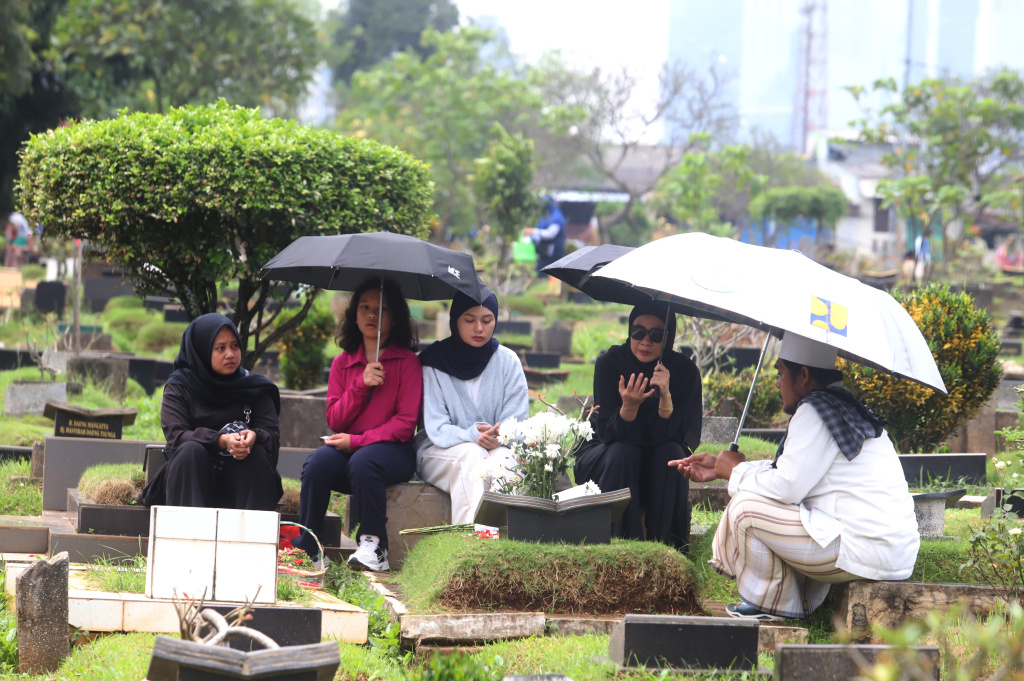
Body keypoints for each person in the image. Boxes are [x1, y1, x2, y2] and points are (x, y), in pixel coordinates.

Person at [670, 332, 919, 621]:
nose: (777, 382)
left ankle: (771, 606)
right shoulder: (839, 406)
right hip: (887, 552)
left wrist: (735, 473)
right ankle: (788, 601)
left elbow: (786, 487)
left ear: (802, 375)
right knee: (764, 499)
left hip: (864, 549)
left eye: (780, 373)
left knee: (745, 507)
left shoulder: (815, 410)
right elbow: (790, 471)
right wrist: (722, 468)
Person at [294, 278, 422, 572]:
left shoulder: (407, 363)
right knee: (317, 464)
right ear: (354, 314)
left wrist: (358, 441)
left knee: (365, 461)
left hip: (393, 453)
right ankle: (309, 548)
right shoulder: (343, 363)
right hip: (350, 451)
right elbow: (335, 419)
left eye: (382, 309)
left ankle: (375, 547)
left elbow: (405, 425)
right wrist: (361, 384)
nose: (372, 315)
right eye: (364, 307)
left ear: (396, 317)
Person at [573, 302, 702, 551]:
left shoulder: (684, 372)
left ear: (668, 338)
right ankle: (617, 548)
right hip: (608, 455)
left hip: (657, 462)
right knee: (624, 451)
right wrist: (628, 409)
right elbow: (605, 433)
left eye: (656, 335)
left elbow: (679, 437)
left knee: (671, 455)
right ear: (629, 331)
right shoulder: (610, 363)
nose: (645, 341)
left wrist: (665, 396)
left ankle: (666, 551)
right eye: (638, 332)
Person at [140, 313, 283, 510]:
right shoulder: (181, 385)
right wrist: (221, 440)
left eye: (235, 346)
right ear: (202, 351)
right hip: (190, 481)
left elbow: (272, 434)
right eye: (220, 348)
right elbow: (177, 436)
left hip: (242, 482)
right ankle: (187, 537)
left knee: (255, 454)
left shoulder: (254, 387)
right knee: (190, 451)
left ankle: (251, 538)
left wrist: (253, 436)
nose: (230, 354)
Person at [416, 291, 529, 524]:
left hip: (497, 448)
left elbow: (517, 424)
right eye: (469, 320)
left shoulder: (508, 362)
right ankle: (472, 543)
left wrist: (500, 437)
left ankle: (508, 544)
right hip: (438, 450)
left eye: (487, 320)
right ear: (455, 320)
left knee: (506, 461)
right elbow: (436, 426)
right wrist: (471, 435)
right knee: (471, 456)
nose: (479, 328)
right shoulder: (433, 362)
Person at [526, 195, 567, 275]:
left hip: (554, 254)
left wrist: (533, 231)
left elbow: (550, 234)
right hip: (544, 252)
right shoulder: (545, 217)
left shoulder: (556, 217)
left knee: (552, 276)